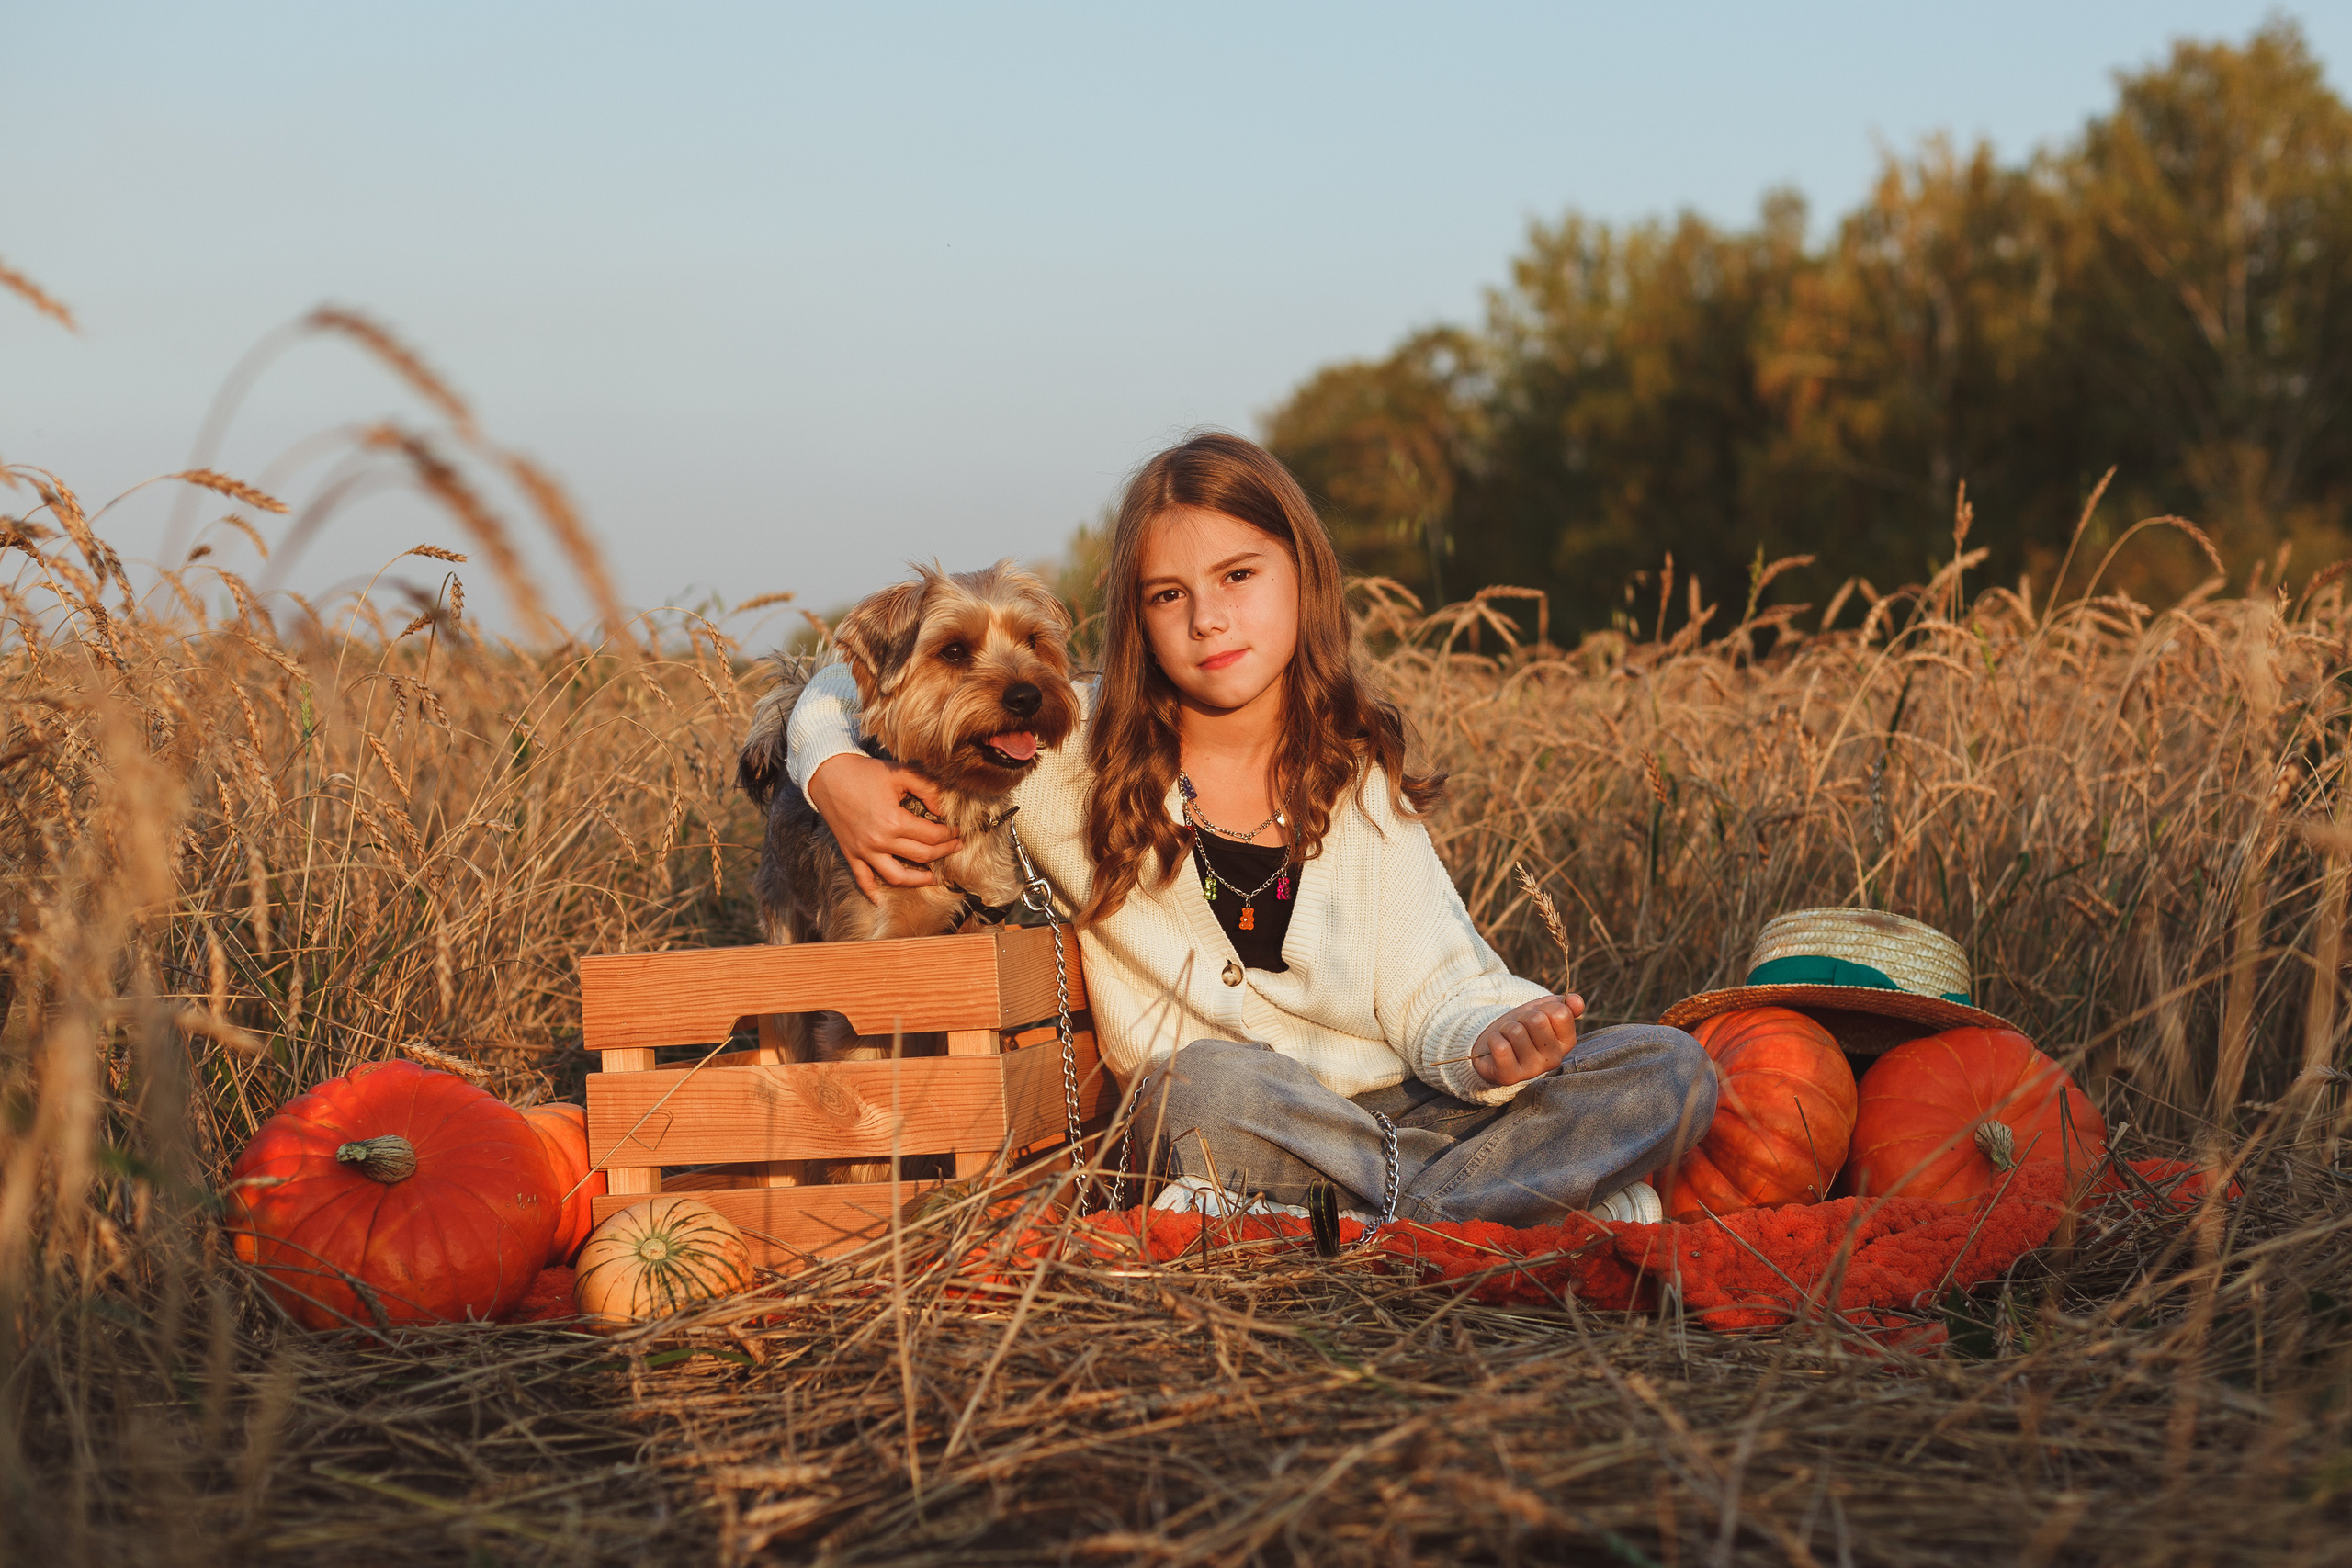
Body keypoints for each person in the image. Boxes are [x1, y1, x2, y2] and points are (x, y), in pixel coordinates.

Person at [783, 433, 1713, 1227]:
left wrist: (1490, 1038)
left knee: (1670, 1067)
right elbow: (834, 676)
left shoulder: (1353, 777)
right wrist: (833, 771)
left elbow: (1433, 982)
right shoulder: (1064, 747)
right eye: (1166, 595)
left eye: (1236, 576)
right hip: (1244, 1114)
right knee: (1194, 1089)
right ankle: (1505, 1205)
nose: (1208, 617)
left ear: (1302, 577)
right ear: (1137, 621)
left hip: (1409, 1109)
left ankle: (1366, 1210)